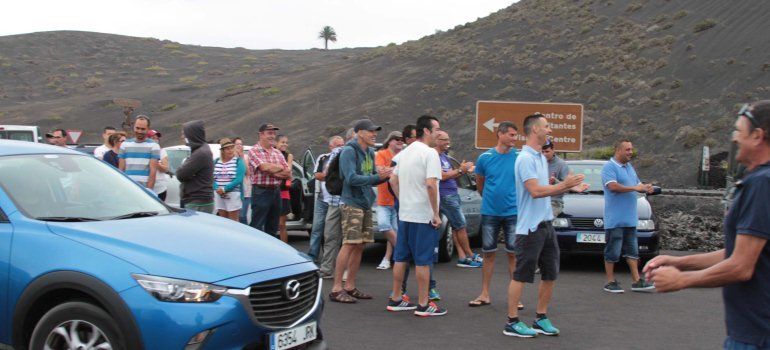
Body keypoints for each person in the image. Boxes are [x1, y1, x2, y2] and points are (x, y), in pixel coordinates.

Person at [644, 101, 770, 349]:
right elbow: (737, 253)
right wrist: (679, 261)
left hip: (757, 337)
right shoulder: (758, 180)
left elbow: (741, 267)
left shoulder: (762, 184)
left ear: (757, 136)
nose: (734, 138)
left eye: (738, 131)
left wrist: (683, 280)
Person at [505, 114, 587, 338]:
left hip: (546, 225)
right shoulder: (524, 159)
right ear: (534, 130)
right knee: (521, 275)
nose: (550, 130)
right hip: (529, 228)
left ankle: (541, 318)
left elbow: (545, 189)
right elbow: (535, 191)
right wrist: (564, 184)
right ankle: (512, 322)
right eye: (547, 127)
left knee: (551, 273)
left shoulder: (541, 158)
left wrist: (569, 188)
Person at [387, 115, 447, 316]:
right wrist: (435, 213)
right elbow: (431, 184)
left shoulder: (405, 152)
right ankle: (423, 304)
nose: (439, 133)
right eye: (437, 129)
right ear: (427, 131)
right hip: (423, 216)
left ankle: (396, 298)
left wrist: (403, 200)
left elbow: (393, 179)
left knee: (401, 257)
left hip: (406, 214)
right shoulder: (430, 154)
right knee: (423, 260)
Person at [328, 119, 391, 303]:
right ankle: (336, 288)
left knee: (360, 245)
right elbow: (351, 178)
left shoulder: (370, 152)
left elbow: (370, 178)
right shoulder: (348, 151)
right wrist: (376, 177)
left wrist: (384, 176)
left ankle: (350, 286)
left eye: (375, 131)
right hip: (351, 203)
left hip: (365, 203)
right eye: (371, 131)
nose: (374, 134)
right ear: (360, 133)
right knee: (349, 243)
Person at [469, 122, 520, 308]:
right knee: (488, 253)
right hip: (490, 212)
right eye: (512, 135)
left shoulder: (520, 157)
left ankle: (516, 297)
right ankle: (484, 294)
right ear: (500, 134)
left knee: (513, 254)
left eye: (516, 135)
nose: (515, 139)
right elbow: (480, 183)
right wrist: (489, 198)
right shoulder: (485, 157)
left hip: (513, 212)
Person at [601, 139, 656, 293]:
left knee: (633, 251)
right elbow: (612, 186)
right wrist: (634, 187)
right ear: (618, 150)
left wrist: (646, 187)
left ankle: (637, 280)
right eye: (628, 149)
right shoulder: (609, 167)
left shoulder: (629, 167)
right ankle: (610, 281)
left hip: (630, 218)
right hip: (615, 219)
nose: (631, 152)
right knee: (612, 250)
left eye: (631, 149)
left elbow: (638, 185)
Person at [434, 131, 479, 268]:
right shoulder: (434, 156)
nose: (448, 142)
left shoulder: (444, 156)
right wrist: (461, 170)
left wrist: (463, 170)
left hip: (452, 193)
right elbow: (442, 176)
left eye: (449, 139)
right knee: (460, 225)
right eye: (444, 140)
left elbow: (452, 173)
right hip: (445, 195)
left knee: (456, 226)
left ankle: (462, 257)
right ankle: (470, 256)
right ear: (436, 140)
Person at [319, 129, 355, 279]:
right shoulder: (342, 152)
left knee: (341, 238)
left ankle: (333, 269)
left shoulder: (361, 153)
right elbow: (327, 173)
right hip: (340, 200)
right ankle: (330, 269)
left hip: (344, 201)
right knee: (336, 236)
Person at [248, 123, 290, 237]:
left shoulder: (277, 152)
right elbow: (263, 167)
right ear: (261, 135)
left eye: (274, 133)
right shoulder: (254, 151)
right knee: (256, 226)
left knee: (273, 227)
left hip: (276, 192)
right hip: (261, 192)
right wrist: (278, 168)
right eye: (269, 133)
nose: (272, 136)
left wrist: (272, 170)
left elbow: (288, 173)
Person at [308, 136, 345, 262]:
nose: (341, 148)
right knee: (317, 228)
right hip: (322, 199)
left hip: (337, 200)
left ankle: (332, 258)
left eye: (342, 145)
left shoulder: (344, 158)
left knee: (333, 232)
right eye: (338, 145)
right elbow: (317, 175)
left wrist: (328, 176)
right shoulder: (323, 158)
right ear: (331, 147)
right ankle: (312, 256)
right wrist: (331, 176)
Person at [375, 131, 404, 270]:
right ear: (390, 140)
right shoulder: (382, 154)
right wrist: (395, 171)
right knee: (384, 225)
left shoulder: (404, 155)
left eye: (402, 139)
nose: (400, 141)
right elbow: (380, 171)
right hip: (384, 199)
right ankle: (403, 250)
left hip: (399, 199)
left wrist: (390, 171)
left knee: (395, 230)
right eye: (397, 139)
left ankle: (388, 258)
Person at [176, 120, 214, 213]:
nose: (182, 137)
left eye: (184, 134)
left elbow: (181, 174)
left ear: (192, 135)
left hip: (198, 202)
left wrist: (183, 169)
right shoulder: (199, 150)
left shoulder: (200, 153)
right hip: (197, 201)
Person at [118, 116, 159, 189]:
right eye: (137, 128)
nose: (139, 131)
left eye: (143, 129)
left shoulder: (154, 146)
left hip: (144, 188)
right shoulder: (124, 145)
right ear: (134, 127)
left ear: (148, 129)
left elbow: (153, 171)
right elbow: (121, 169)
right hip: (127, 186)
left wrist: (149, 191)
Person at [213, 138, 246, 221]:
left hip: (233, 194)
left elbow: (239, 178)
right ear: (222, 151)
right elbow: (210, 178)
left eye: (232, 148)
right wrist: (217, 188)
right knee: (223, 220)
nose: (230, 150)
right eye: (227, 149)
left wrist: (225, 189)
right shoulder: (216, 161)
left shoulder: (238, 161)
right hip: (219, 194)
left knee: (233, 221)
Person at [542, 141, 570, 217]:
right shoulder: (538, 163)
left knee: (545, 220)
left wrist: (555, 181)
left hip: (554, 201)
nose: (544, 154)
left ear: (553, 150)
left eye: (547, 151)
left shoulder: (561, 164)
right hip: (539, 200)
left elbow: (567, 187)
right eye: (542, 152)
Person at [276, 135, 293, 243]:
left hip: (283, 192)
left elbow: (288, 172)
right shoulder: (272, 154)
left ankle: (285, 247)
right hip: (272, 190)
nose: (285, 144)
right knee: (272, 223)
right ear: (276, 143)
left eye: (286, 142)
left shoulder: (289, 156)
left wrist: (277, 172)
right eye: (282, 142)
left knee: (282, 224)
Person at [233, 137, 252, 224]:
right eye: (237, 144)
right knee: (236, 216)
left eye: (241, 144)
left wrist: (242, 157)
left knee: (242, 215)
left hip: (246, 191)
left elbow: (248, 172)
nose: (239, 146)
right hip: (234, 190)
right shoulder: (231, 158)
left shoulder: (246, 157)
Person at [148, 130, 170, 201]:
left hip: (160, 188)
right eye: (153, 138)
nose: (156, 140)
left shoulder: (162, 151)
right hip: (147, 187)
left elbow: (166, 169)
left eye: (157, 138)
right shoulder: (143, 151)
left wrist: (155, 162)